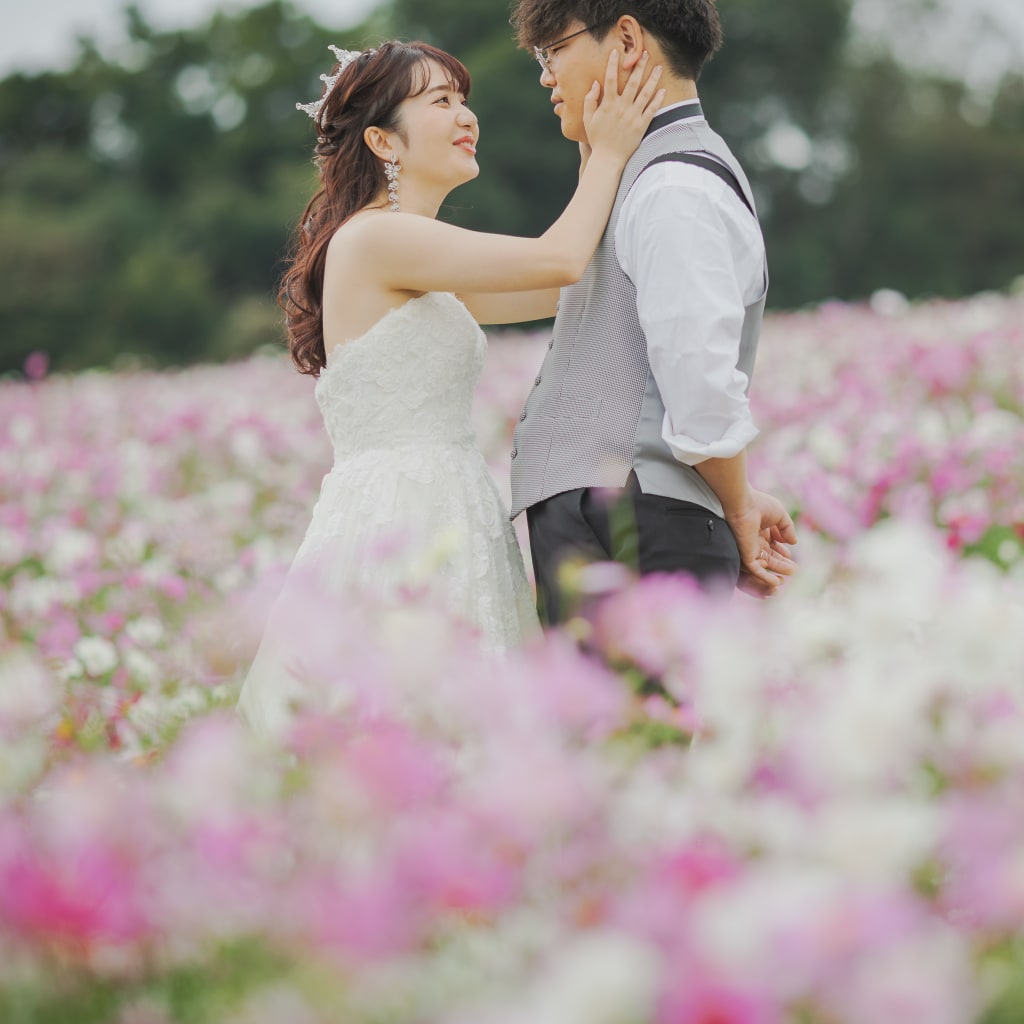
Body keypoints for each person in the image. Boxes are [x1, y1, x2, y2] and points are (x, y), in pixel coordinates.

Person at [236, 39, 666, 737]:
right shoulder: (375, 241)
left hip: (451, 505)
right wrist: (611, 151)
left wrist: (592, 143)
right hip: (402, 518)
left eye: (463, 99)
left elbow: (567, 288)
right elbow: (558, 260)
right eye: (440, 101)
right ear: (382, 139)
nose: (466, 115)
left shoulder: (417, 252)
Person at [506, 0, 799, 624]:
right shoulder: (642, 172)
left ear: (629, 40)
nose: (545, 76)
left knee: (629, 724)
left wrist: (739, 505)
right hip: (619, 513)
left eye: (552, 51)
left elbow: (696, 378)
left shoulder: (675, 188)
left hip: (641, 520)